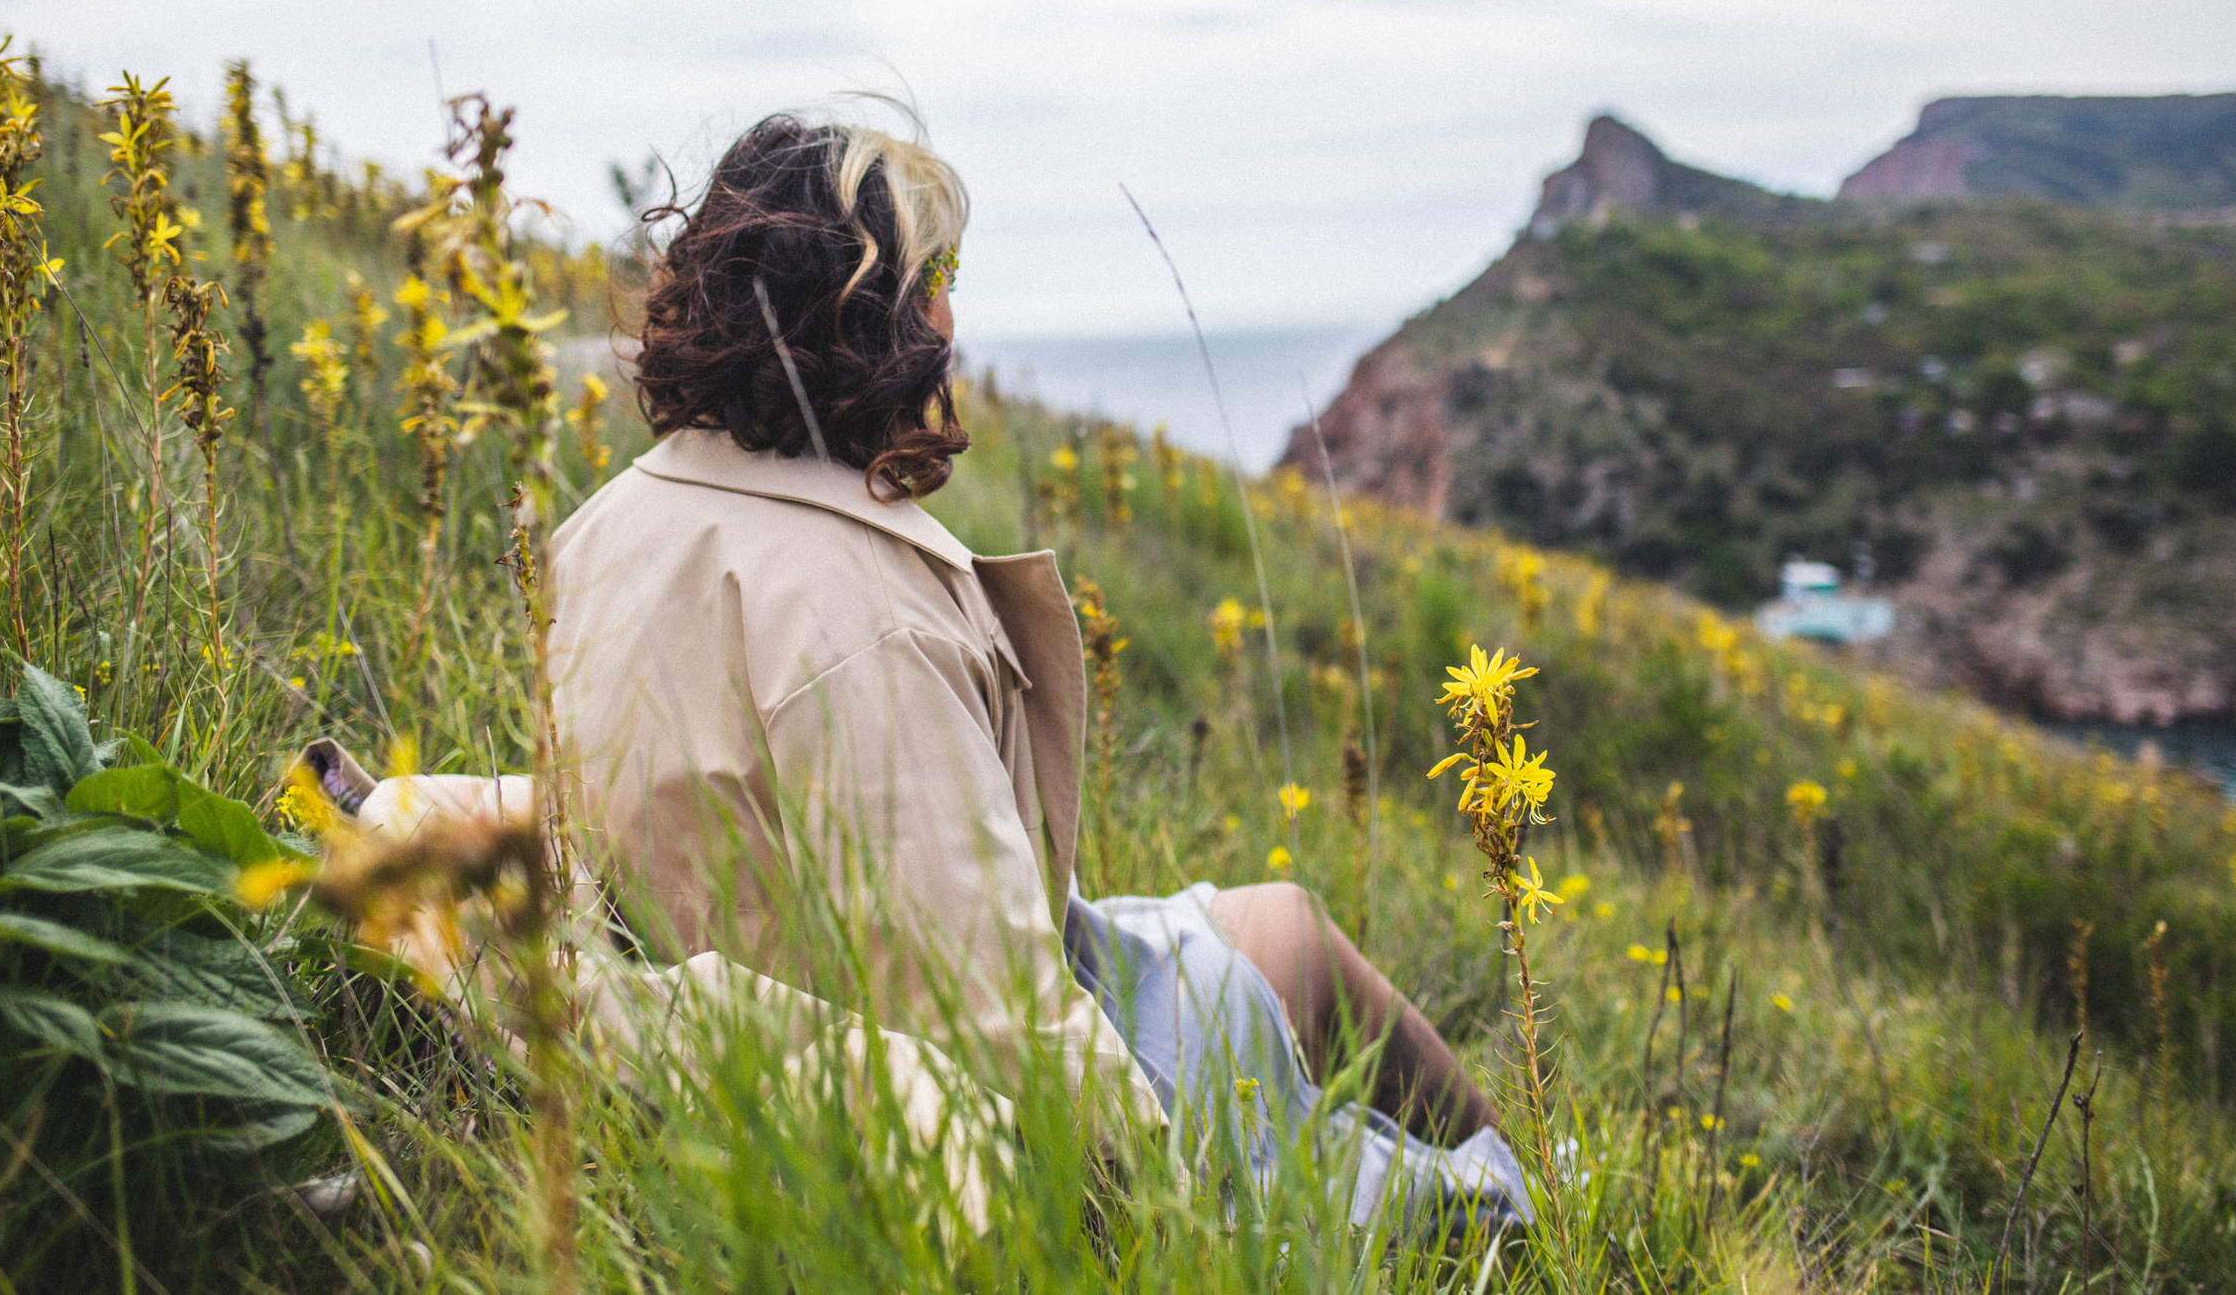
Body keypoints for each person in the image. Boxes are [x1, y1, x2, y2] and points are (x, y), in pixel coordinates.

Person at [546, 112, 1525, 1224]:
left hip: (784, 1005)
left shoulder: (599, 530)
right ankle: (1528, 1210)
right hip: (962, 1100)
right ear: (863, 306)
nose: (953, 317)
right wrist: (1170, 1206)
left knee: (1287, 926)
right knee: (1446, 1201)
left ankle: (1534, 1174)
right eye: (939, 277)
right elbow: (994, 1020)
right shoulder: (863, 620)